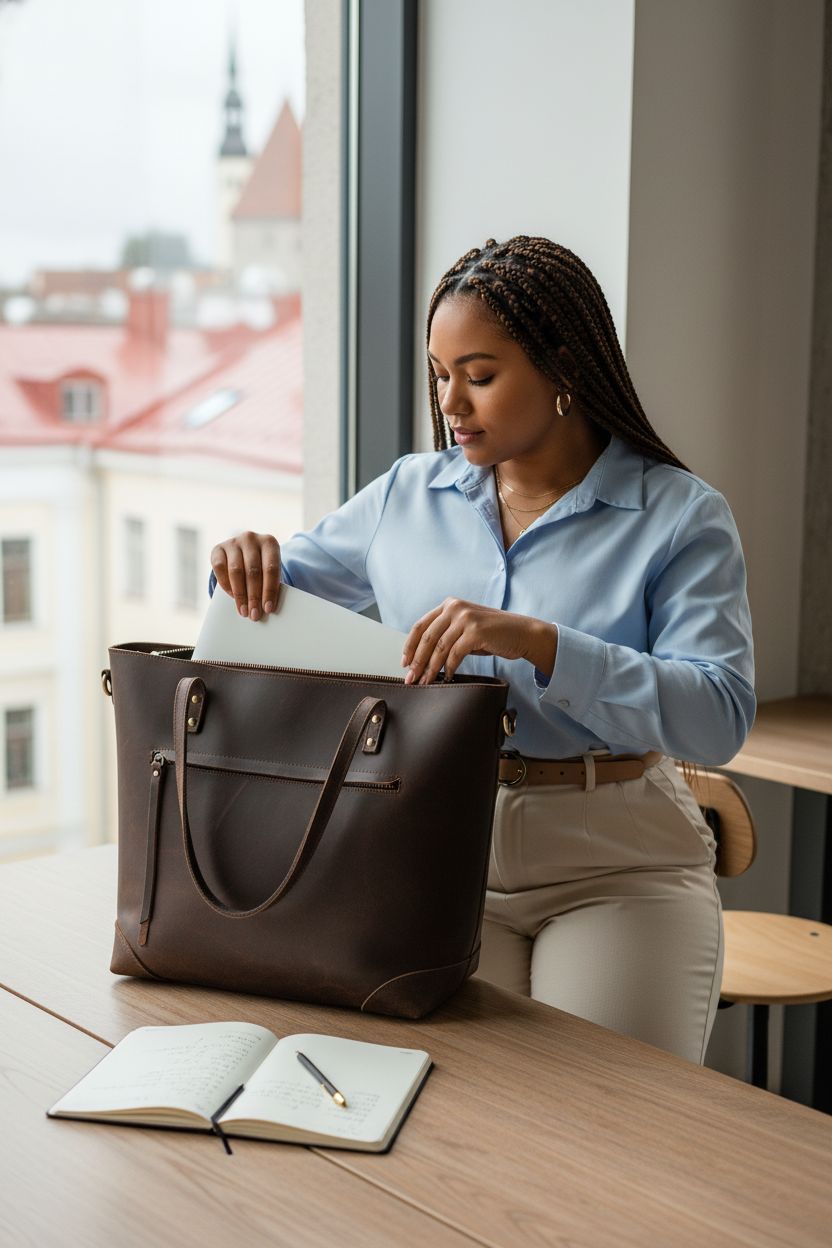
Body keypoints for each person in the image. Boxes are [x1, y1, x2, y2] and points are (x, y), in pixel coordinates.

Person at [210, 236, 755, 1064]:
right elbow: (255, 616)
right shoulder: (404, 496)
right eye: (440, 374)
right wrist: (241, 567)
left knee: (603, 1117)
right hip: (435, 853)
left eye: (480, 374)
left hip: (618, 867)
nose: (451, 402)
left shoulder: (680, 515)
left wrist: (541, 644)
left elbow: (718, 718)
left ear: (563, 368)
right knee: (451, 1114)